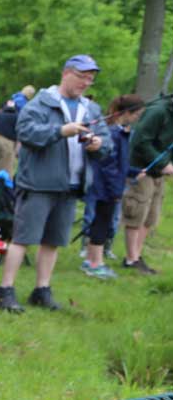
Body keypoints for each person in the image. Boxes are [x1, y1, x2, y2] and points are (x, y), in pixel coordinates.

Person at [0, 55, 103, 313]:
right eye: (82, 77)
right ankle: (4, 290)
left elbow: (105, 142)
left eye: (90, 79)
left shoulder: (91, 109)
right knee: (22, 237)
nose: (86, 83)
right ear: (66, 73)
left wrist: (99, 145)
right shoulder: (40, 103)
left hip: (70, 186)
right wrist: (60, 131)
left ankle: (42, 290)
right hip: (38, 183)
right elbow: (26, 132)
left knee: (53, 240)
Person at [82, 94, 143, 278]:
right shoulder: (114, 134)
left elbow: (120, 164)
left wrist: (133, 172)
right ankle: (95, 263)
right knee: (102, 223)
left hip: (108, 185)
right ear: (127, 113)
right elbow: (108, 166)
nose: (138, 119)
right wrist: (115, 190)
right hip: (105, 188)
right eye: (137, 115)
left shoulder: (119, 132)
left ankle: (91, 260)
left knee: (101, 222)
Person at [123, 88, 173, 274]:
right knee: (137, 213)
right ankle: (130, 259)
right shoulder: (158, 111)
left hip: (159, 172)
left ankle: (137, 256)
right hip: (141, 170)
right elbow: (141, 140)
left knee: (150, 218)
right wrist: (163, 163)